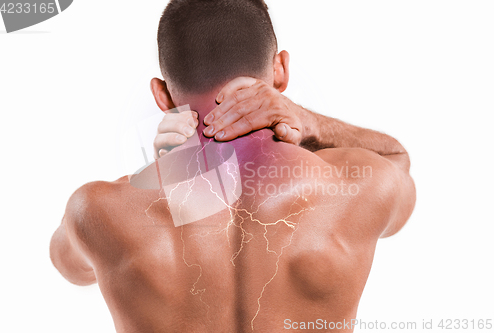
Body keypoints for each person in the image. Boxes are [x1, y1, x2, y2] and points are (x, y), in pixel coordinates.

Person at [50, 0, 416, 332]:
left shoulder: (98, 210)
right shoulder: (355, 185)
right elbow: (398, 158)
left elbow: (67, 265)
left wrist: (171, 175)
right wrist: (309, 122)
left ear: (161, 96)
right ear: (281, 71)